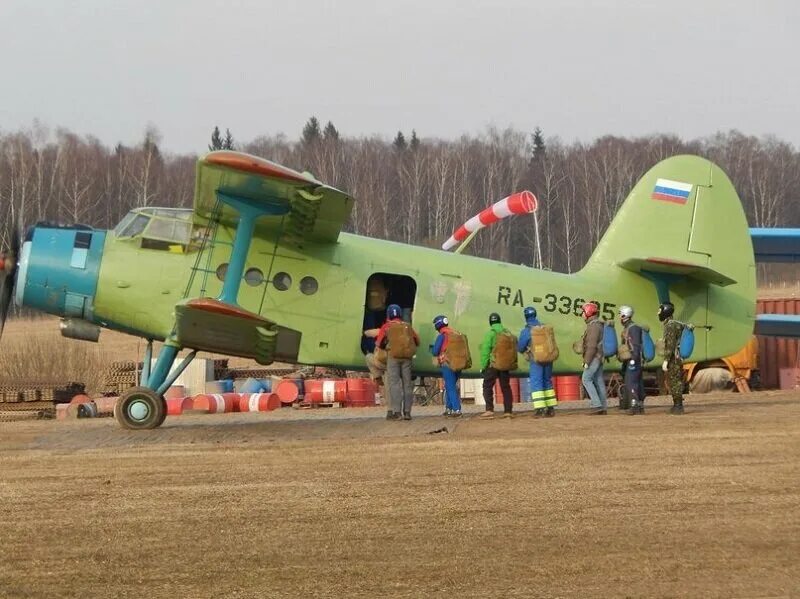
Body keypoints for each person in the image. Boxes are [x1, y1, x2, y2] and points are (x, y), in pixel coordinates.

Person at [376, 303, 419, 420]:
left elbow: (379, 343)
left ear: (389, 315)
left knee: (394, 384)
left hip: (393, 357)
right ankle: (407, 412)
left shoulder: (386, 327)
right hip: (407, 358)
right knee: (407, 384)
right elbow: (417, 341)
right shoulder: (407, 326)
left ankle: (397, 412)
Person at [517, 306, 557, 417]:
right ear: (535, 315)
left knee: (536, 383)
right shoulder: (544, 328)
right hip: (548, 358)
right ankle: (551, 409)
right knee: (547, 381)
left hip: (536, 360)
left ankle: (540, 409)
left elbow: (520, 347)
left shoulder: (527, 331)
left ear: (526, 317)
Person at [479, 313, 517, 419]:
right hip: (504, 364)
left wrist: (484, 366)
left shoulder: (490, 334)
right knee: (506, 387)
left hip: (493, 364)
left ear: (490, 322)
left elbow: (485, 351)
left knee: (487, 386)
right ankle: (508, 411)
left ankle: (489, 410)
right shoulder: (507, 333)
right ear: (500, 321)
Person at [361, 276, 391, 406]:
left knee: (369, 356)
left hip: (388, 362)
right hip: (404, 362)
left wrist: (364, 333)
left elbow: (377, 341)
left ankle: (378, 376)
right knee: (404, 387)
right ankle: (404, 411)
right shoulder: (406, 328)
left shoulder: (385, 328)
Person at [431, 314, 464, 417]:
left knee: (450, 387)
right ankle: (448, 408)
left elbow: (435, 351)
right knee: (450, 386)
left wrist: (432, 349)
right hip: (459, 363)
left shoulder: (442, 335)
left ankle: (457, 410)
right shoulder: (455, 333)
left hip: (447, 364)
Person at [580, 302, 608, 415]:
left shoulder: (593, 326)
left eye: (583, 312)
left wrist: (586, 361)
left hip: (594, 357)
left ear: (588, 312)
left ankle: (596, 405)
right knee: (598, 380)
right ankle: (603, 407)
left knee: (586, 379)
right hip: (599, 356)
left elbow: (591, 346)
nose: (582, 314)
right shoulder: (598, 325)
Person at [659, 301, 685, 415]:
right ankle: (677, 404)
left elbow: (670, 344)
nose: (658, 313)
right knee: (675, 380)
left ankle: (678, 406)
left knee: (674, 381)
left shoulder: (670, 326)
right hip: (677, 356)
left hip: (673, 358)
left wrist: (666, 359)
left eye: (660, 310)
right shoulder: (675, 323)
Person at [618, 305, 645, 415]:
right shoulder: (628, 328)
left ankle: (634, 405)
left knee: (631, 382)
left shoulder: (633, 328)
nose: (619, 317)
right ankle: (639, 405)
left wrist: (633, 359)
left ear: (624, 315)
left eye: (620, 314)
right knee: (637, 382)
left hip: (633, 360)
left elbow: (636, 345)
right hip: (631, 360)